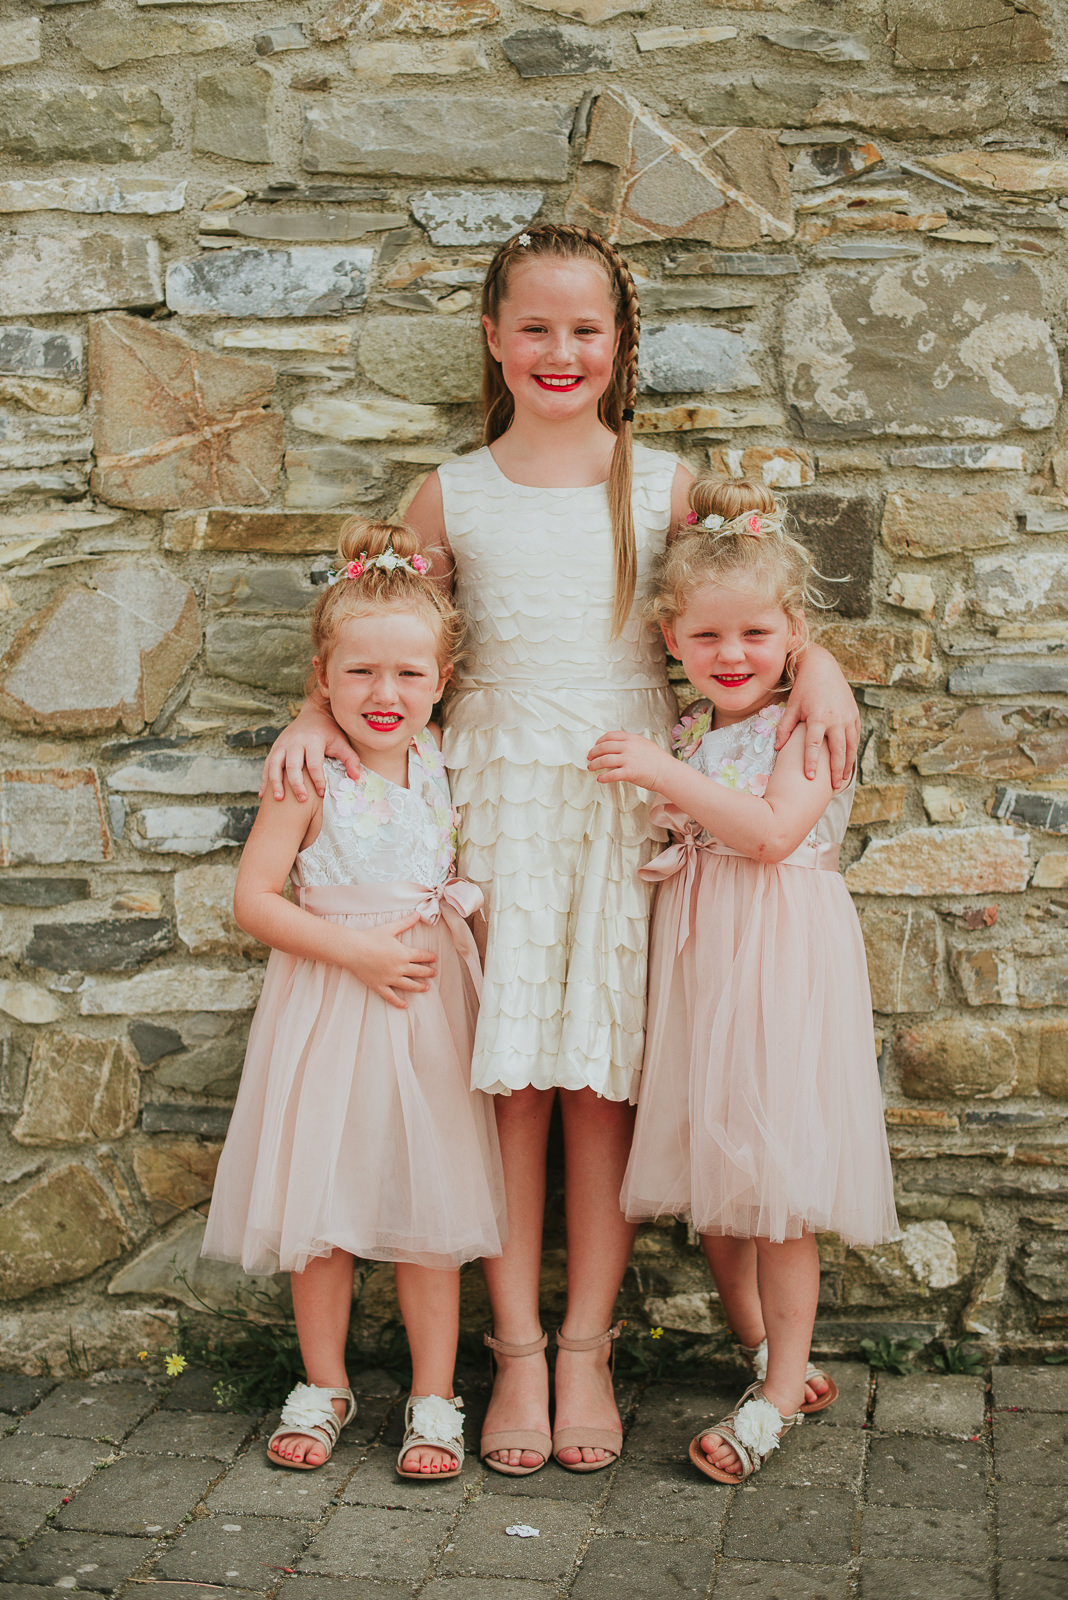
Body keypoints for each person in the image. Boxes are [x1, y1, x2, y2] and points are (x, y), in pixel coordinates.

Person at [263, 224, 860, 1476]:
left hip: (626, 796)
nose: (559, 351)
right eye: (533, 326)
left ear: (620, 347)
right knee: (509, 1078)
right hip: (492, 803)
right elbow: (381, 630)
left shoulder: (664, 484)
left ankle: (586, 1342)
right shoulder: (451, 489)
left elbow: (745, 603)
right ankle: (516, 1350)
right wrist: (315, 713)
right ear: (491, 336)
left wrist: (829, 665)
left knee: (604, 1080)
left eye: (586, 330)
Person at [588, 476, 898, 1484]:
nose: (733, 656)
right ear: (673, 641)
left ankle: (774, 1395)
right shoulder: (696, 727)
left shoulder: (807, 726)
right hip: (705, 963)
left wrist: (661, 776)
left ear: (795, 634)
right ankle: (772, 1350)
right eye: (709, 638)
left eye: (758, 636)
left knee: (775, 1192)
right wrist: (674, 789)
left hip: (778, 960)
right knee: (715, 1184)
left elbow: (768, 834)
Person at [202, 519, 505, 1481]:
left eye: (409, 676)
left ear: (443, 680)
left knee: (433, 1205)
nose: (386, 694)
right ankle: (324, 1381)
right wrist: (359, 954)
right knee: (320, 1197)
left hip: (428, 1009)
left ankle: (433, 1394)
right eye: (360, 674)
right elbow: (254, 900)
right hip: (333, 1001)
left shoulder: (444, 763)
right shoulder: (311, 773)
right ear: (322, 680)